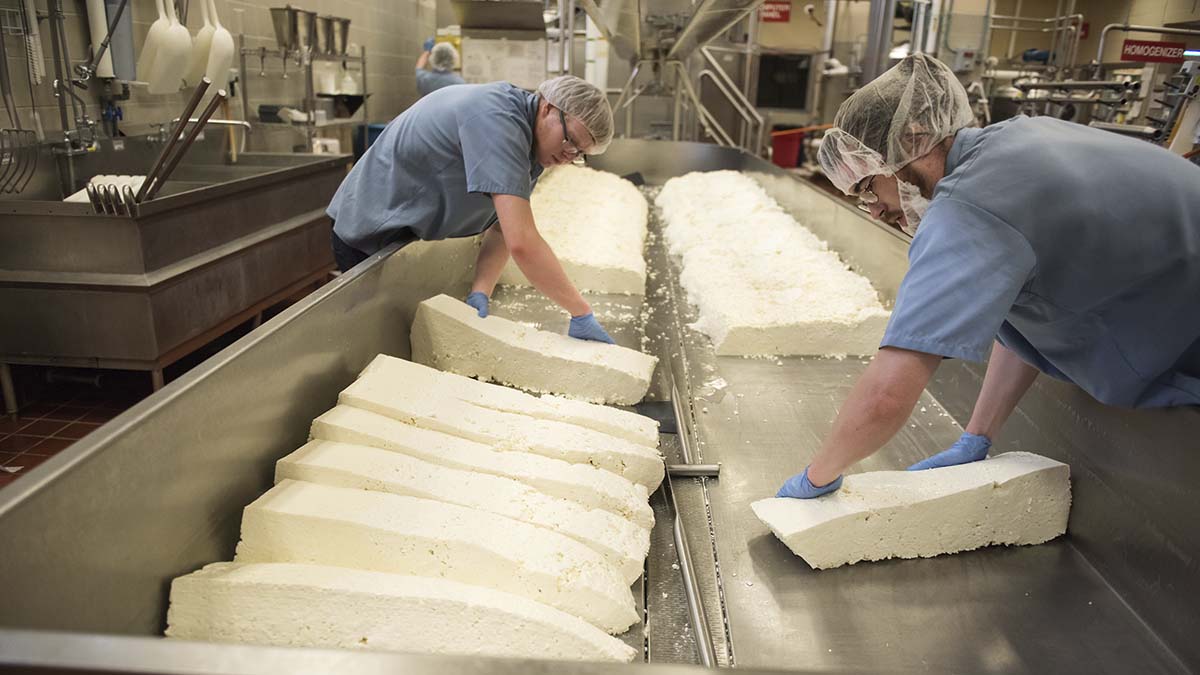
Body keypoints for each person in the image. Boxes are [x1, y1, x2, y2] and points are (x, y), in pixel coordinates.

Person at [777, 53, 1200, 499]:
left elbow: (888, 393)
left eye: (869, 185)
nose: (876, 208)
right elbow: (1025, 316)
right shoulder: (1014, 140)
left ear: (914, 138)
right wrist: (977, 436)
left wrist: (819, 476)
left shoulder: (971, 206)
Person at [326, 75, 616, 343]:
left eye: (580, 154)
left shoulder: (533, 145)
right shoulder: (498, 121)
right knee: (369, 341)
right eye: (571, 141)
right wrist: (580, 312)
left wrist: (481, 289)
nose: (569, 155)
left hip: (405, 235)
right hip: (370, 230)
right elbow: (522, 243)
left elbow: (503, 228)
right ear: (548, 109)